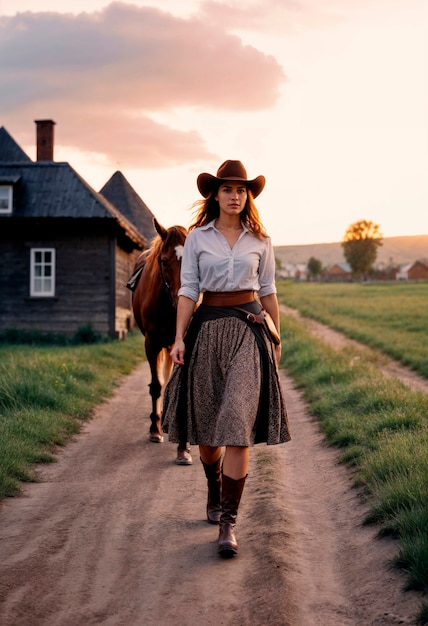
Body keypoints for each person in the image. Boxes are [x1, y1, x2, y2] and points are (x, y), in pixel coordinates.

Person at [162, 160, 291, 558]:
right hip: (207, 331)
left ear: (247, 196)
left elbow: (267, 289)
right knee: (206, 431)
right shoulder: (199, 238)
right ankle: (213, 487)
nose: (235, 196)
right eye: (227, 189)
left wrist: (276, 334)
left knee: (236, 422)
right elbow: (188, 290)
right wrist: (180, 337)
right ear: (214, 195)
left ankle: (228, 523)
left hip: (248, 333)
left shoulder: (261, 240)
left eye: (241, 190)